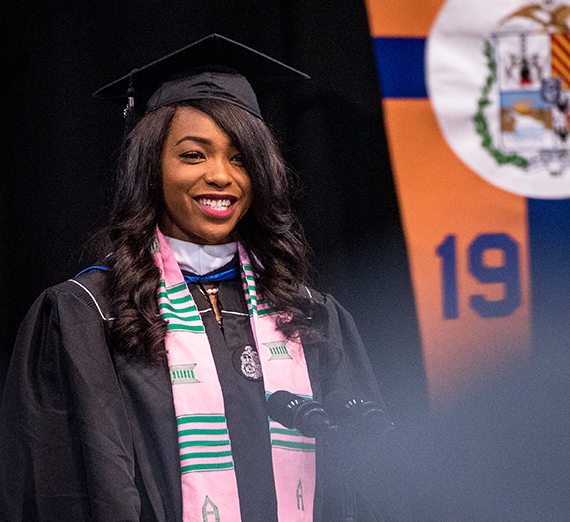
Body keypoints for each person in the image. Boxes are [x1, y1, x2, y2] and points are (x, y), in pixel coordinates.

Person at [0, 34, 383, 522]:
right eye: (193, 155)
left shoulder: (308, 315)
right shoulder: (88, 315)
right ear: (151, 168)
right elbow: (65, 490)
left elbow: (362, 487)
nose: (221, 175)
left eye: (240, 157)